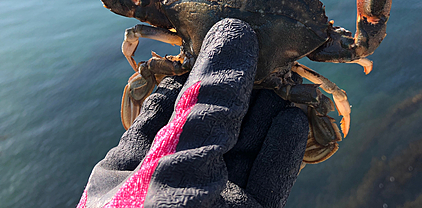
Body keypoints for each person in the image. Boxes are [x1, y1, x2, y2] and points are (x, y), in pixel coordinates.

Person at [76, 18, 310, 208]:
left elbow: (125, 16)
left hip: (189, 68)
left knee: (146, 98)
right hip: (276, 92)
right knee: (292, 129)